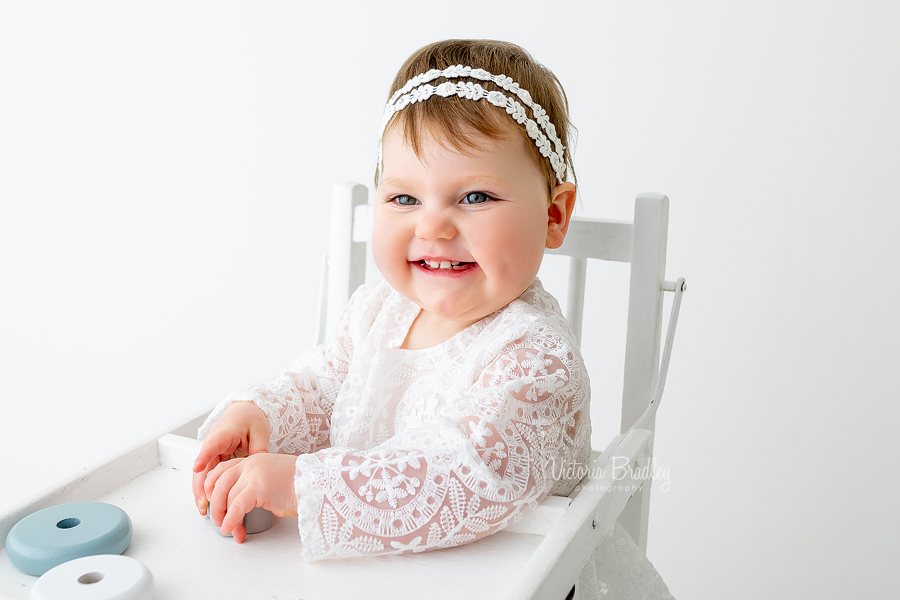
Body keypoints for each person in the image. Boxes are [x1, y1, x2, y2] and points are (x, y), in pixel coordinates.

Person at [192, 39, 673, 599]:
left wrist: (301, 486)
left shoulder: (536, 358)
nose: (434, 226)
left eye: (474, 196)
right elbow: (324, 386)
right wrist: (261, 416)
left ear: (553, 215)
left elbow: (460, 474)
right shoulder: (377, 310)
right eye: (403, 199)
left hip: (518, 580)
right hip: (383, 573)